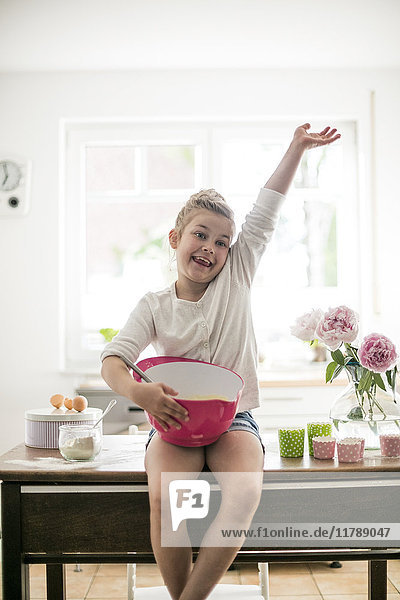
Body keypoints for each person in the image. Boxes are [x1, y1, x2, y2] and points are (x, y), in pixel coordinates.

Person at [101, 123, 341, 600]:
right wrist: (137, 391)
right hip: (173, 421)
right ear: (175, 238)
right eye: (200, 235)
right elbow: (113, 359)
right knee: (169, 500)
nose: (210, 247)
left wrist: (295, 147)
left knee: (244, 494)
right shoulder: (153, 305)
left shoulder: (239, 273)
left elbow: (268, 207)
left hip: (236, 420)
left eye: (222, 241)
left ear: (233, 250)